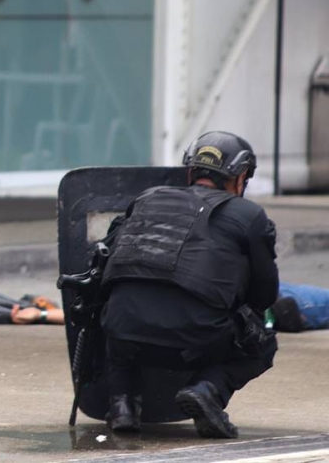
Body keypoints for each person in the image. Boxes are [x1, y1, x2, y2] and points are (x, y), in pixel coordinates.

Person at [99, 131, 279, 438]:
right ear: (240, 177)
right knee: (262, 343)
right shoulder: (249, 216)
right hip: (195, 341)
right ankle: (207, 390)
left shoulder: (146, 199)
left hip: (124, 334)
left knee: (122, 310)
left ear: (192, 171)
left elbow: (105, 265)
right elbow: (264, 295)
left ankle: (123, 405)